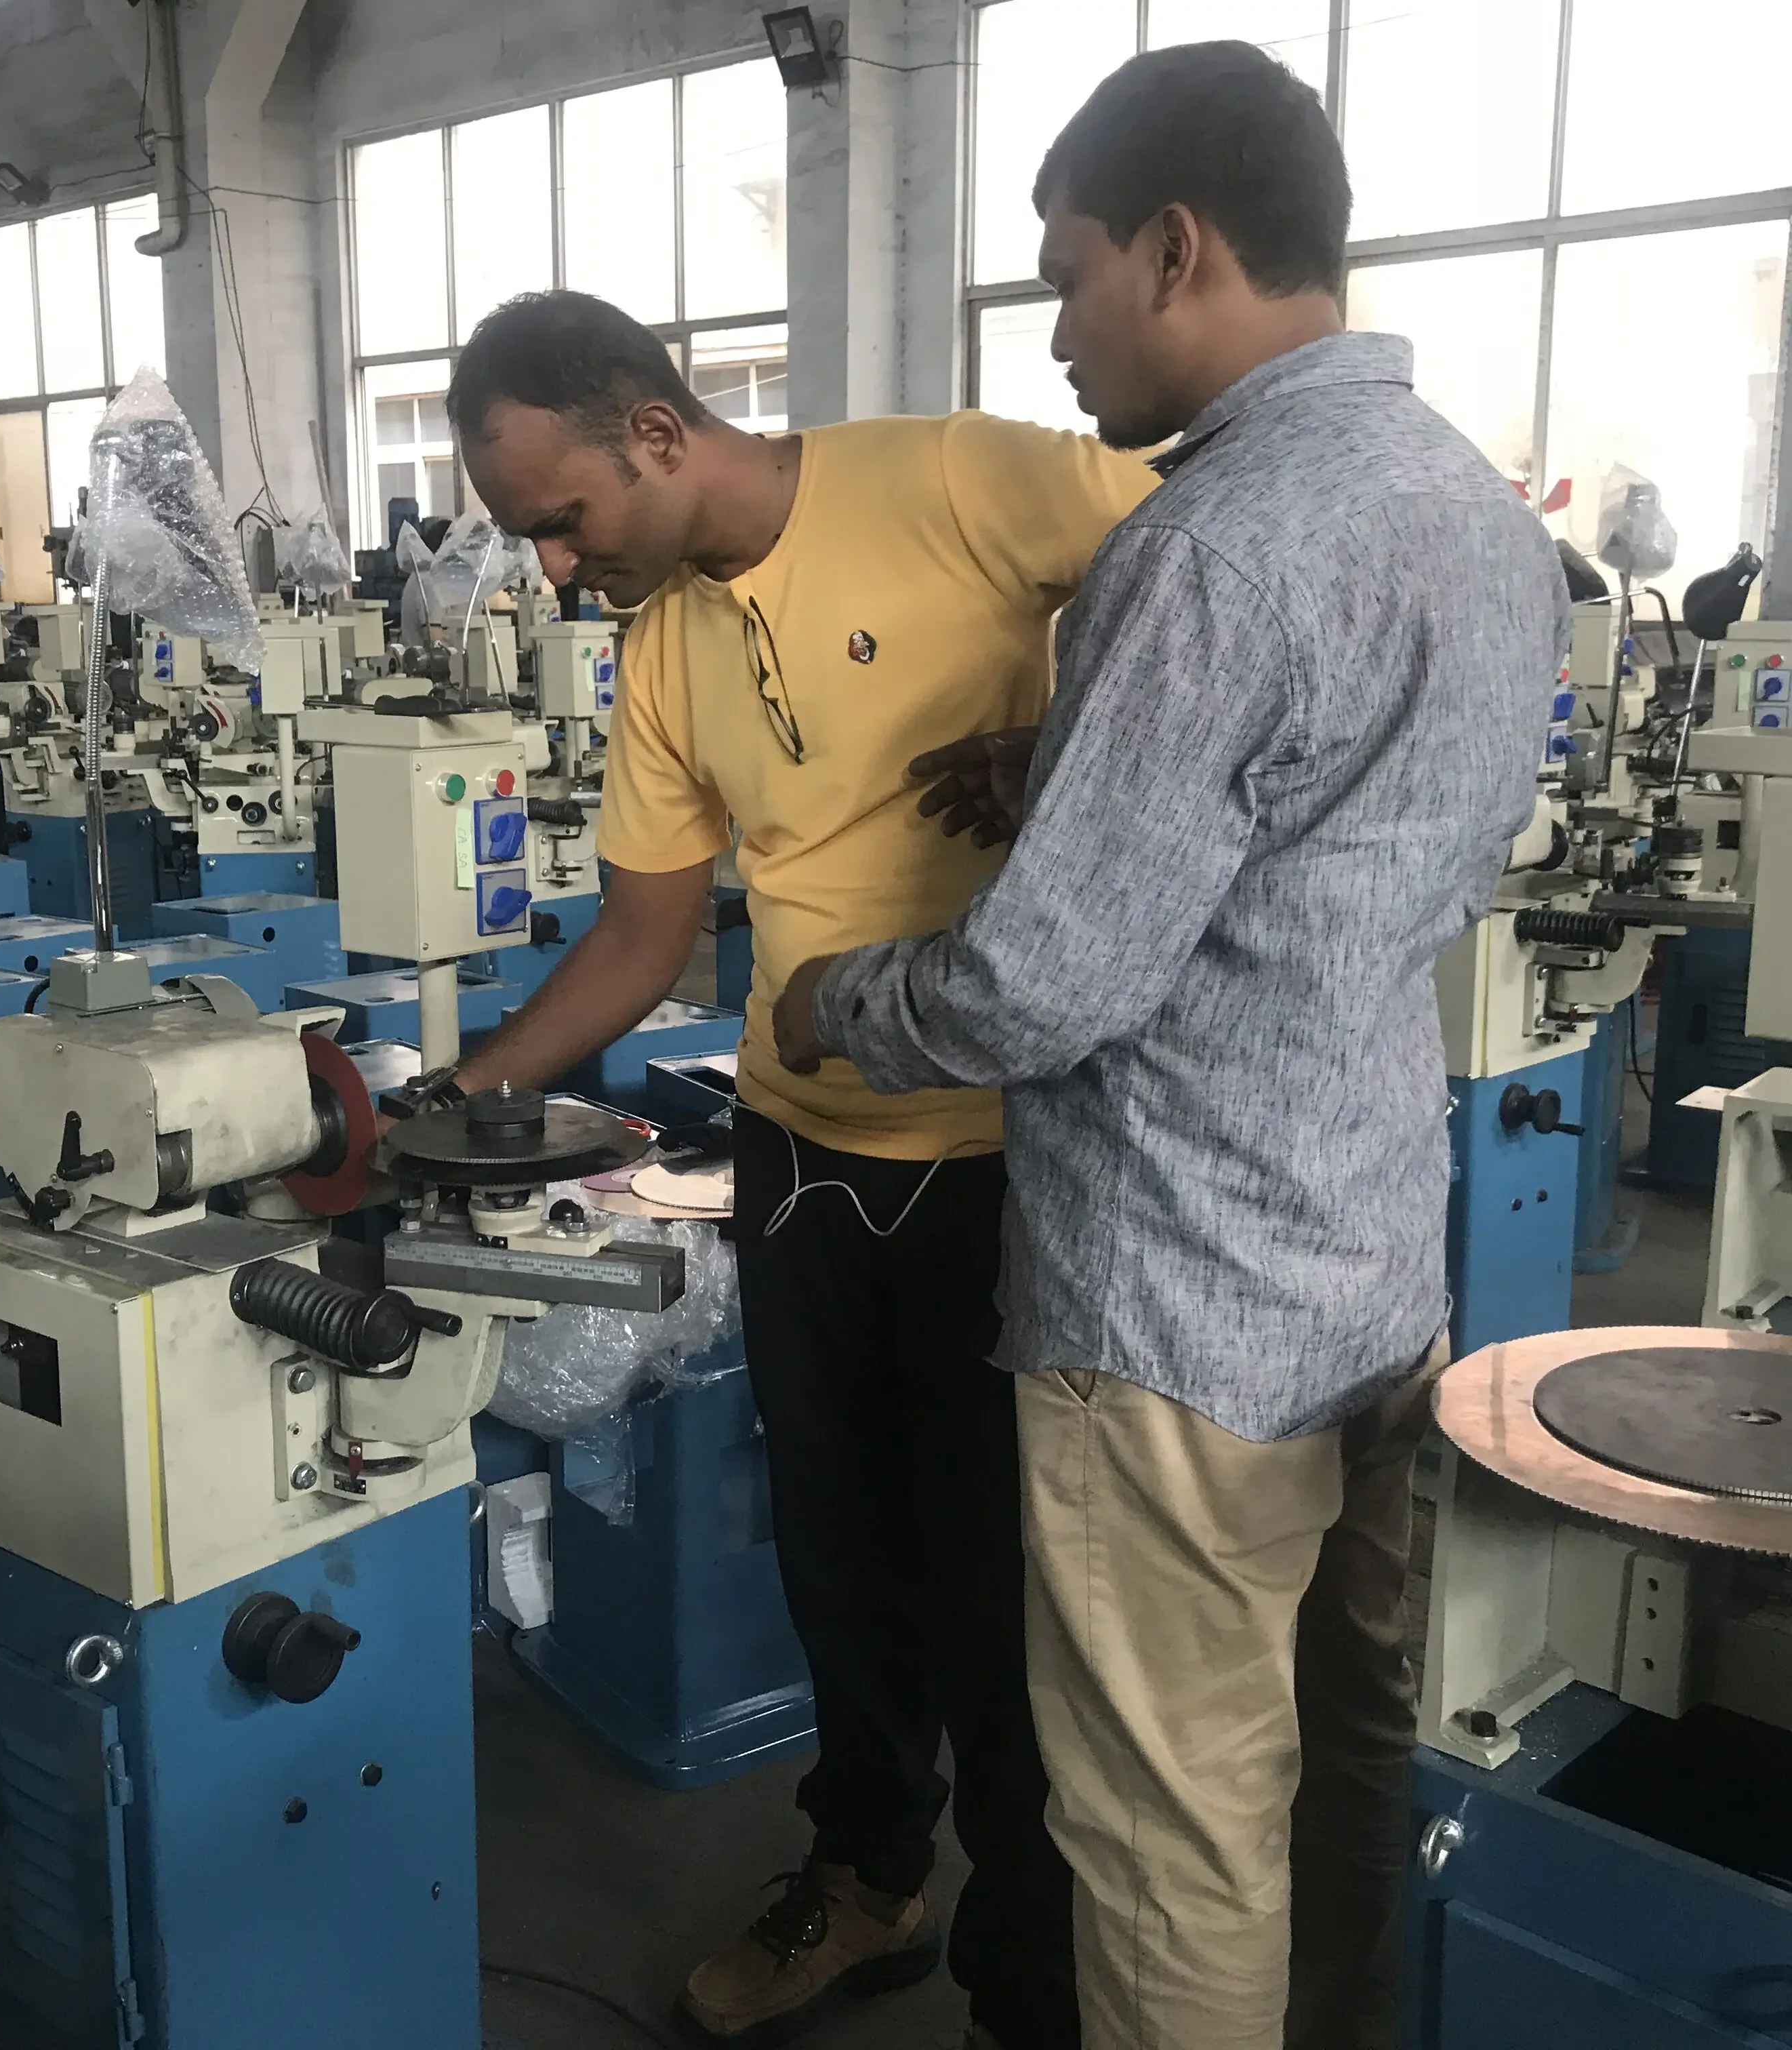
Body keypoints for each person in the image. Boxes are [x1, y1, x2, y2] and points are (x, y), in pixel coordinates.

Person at [773, 42, 1569, 2050]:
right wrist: (1079, 762)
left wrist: (836, 1003)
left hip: (1175, 1320)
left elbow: (1040, 991)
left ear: (1178, 248)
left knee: (1170, 1834)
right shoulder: (1475, 513)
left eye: (1068, 279)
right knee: (1341, 1754)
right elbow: (1336, 813)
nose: (1059, 339)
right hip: (1367, 1271)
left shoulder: (1206, 546)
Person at [442, 289, 1156, 2050]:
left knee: (1009, 1601)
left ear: (656, 435)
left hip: (1009, 1154)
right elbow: (642, 936)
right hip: (800, 1155)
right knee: (841, 1566)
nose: (552, 568)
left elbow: (1221, 583)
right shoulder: (662, 648)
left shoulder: (957, 482)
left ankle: (1033, 1986)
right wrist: (450, 1099)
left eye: (562, 520)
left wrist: (1072, 749)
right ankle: (868, 1876)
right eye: (528, 538)